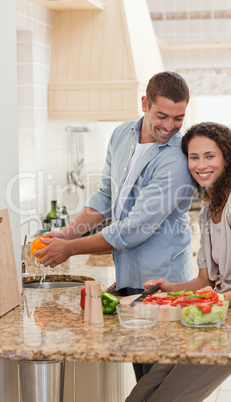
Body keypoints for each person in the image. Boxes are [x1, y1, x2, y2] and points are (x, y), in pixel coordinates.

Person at [36, 71, 196, 380]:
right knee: (144, 372)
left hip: (162, 284)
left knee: (160, 382)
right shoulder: (122, 134)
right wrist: (67, 232)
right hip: (129, 278)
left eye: (179, 118)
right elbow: (107, 195)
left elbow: (133, 229)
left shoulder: (176, 157)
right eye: (162, 115)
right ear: (144, 103)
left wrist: (70, 248)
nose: (170, 126)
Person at [125, 122, 231, 402]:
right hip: (221, 315)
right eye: (194, 157)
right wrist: (171, 287)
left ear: (228, 158)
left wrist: (205, 305)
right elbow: (205, 281)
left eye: (209, 156)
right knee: (140, 393)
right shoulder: (207, 212)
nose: (201, 164)